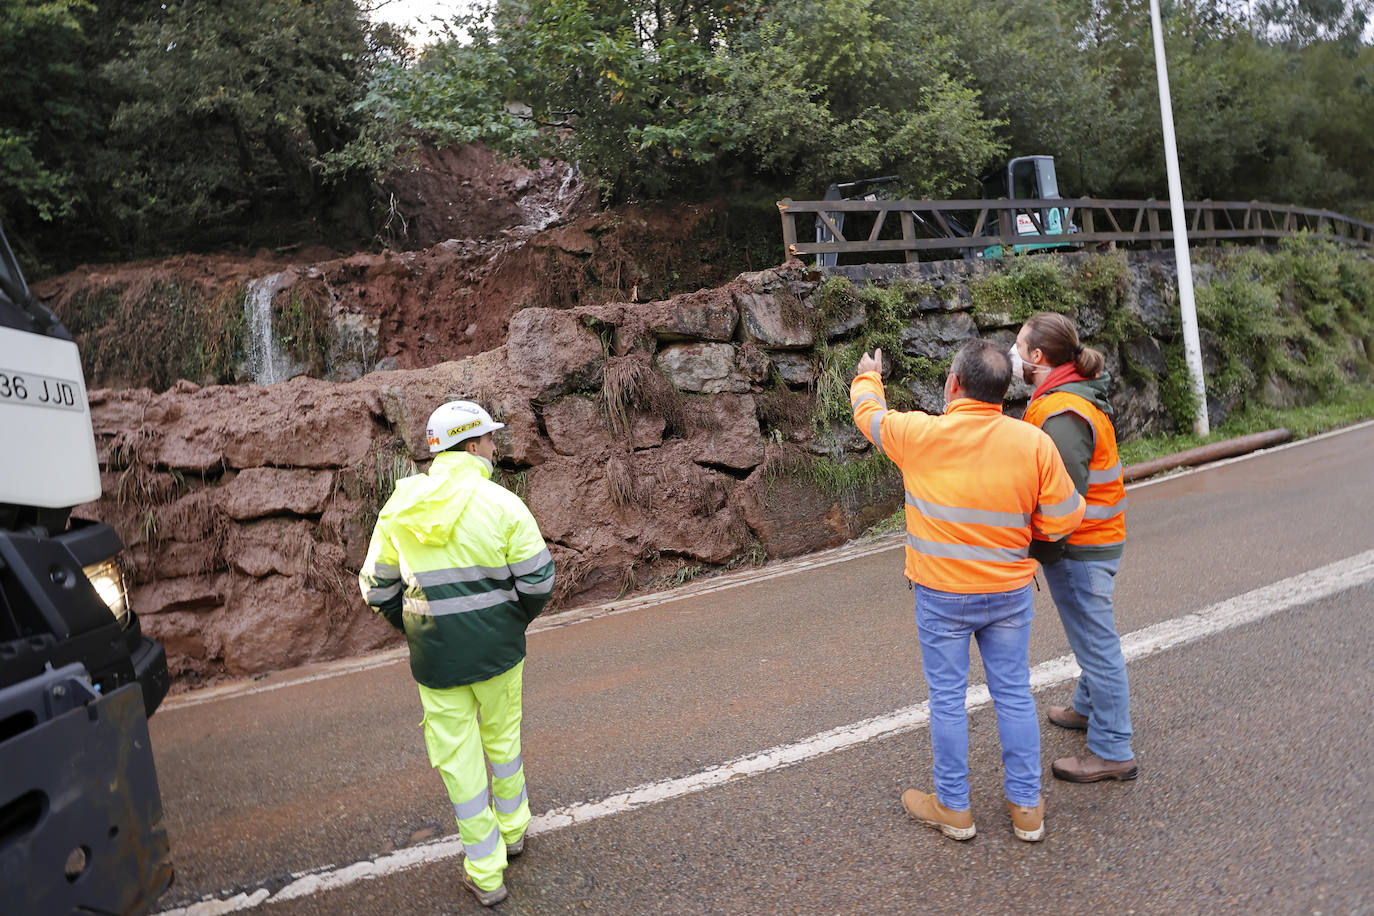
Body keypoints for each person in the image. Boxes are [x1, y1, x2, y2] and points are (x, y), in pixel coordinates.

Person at [852, 340, 1085, 843]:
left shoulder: (917, 433)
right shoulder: (1033, 443)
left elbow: (869, 415)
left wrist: (868, 375)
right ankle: (1027, 809)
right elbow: (1065, 517)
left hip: (941, 595)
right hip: (1008, 592)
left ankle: (954, 809)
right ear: (1003, 393)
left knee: (947, 699)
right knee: (1014, 695)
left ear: (953, 385)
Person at [359, 400, 555, 906]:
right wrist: (511, 622)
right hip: (499, 654)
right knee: (503, 742)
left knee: (460, 766)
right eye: (490, 438)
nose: (494, 446)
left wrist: (420, 627)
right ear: (471, 446)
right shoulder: (502, 504)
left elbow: (376, 589)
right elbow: (539, 580)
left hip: (436, 663)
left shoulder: (399, 509)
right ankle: (514, 834)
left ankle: (486, 877)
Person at [1013, 313, 1137, 782]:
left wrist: (1039, 548)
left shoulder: (1061, 412)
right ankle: (1088, 707)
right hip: (1096, 540)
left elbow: (1061, 497)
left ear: (1037, 358)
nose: (1014, 354)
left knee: (1096, 644)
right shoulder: (1067, 396)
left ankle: (1112, 748)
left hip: (1081, 547)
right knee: (1091, 634)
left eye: (1018, 346)